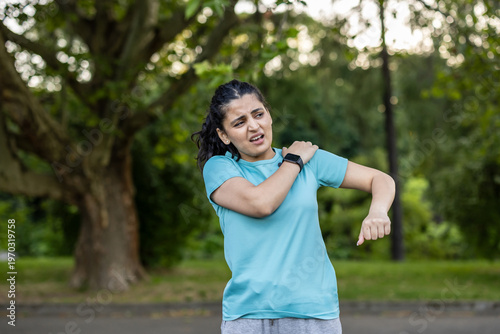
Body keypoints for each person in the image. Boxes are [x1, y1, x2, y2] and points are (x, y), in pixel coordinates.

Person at [192, 79, 395, 334]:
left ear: (269, 115)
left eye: (258, 114)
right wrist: (293, 162)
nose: (254, 126)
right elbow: (261, 203)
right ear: (224, 135)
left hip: (312, 312)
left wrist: (377, 211)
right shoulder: (221, 168)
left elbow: (380, 179)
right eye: (239, 122)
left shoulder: (313, 162)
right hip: (248, 316)